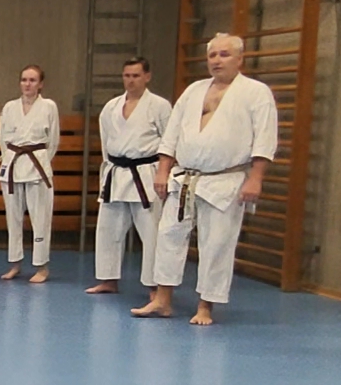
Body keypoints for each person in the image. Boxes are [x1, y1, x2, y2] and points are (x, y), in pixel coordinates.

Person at [132, 34, 278, 325]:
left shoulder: (255, 92)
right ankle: (162, 299)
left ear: (239, 59)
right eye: (212, 55)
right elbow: (172, 132)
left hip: (226, 180)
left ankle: (205, 306)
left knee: (217, 243)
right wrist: (163, 170)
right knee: (168, 236)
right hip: (184, 178)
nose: (217, 60)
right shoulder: (194, 90)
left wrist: (256, 178)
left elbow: (265, 138)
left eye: (224, 55)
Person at [87, 57, 174, 295]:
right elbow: (106, 143)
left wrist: (165, 174)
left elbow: (170, 140)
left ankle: (154, 285)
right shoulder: (111, 106)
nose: (131, 80)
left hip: (146, 174)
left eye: (136, 76)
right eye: (127, 75)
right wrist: (107, 171)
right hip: (116, 173)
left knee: (151, 231)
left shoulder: (159, 106)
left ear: (147, 76)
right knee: (108, 229)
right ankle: (108, 279)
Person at [0, 64, 60, 283]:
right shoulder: (9, 107)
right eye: (24, 80)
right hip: (13, 165)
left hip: (37, 165)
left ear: (40, 84)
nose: (27, 84)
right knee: (13, 218)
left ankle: (42, 266)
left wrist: (42, 160)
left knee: (40, 218)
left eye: (32, 80)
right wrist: (8, 159)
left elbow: (53, 141)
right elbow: (2, 139)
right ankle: (15, 263)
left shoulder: (49, 107)